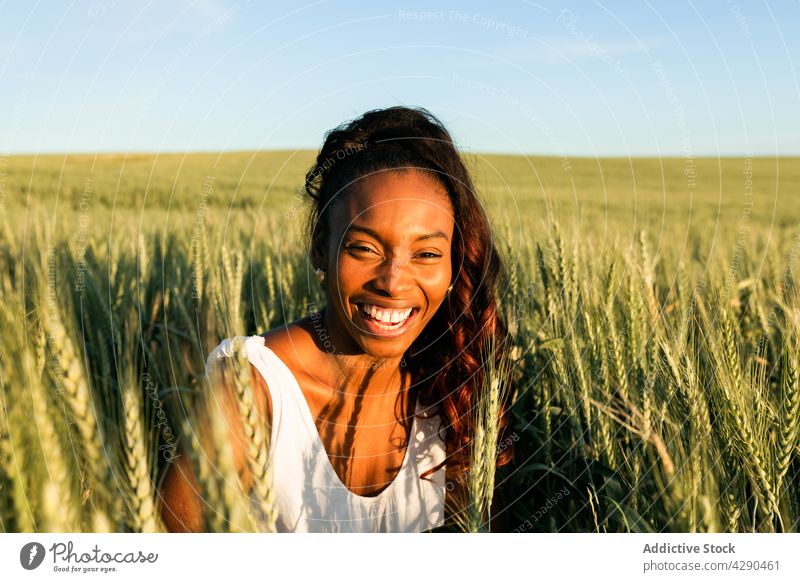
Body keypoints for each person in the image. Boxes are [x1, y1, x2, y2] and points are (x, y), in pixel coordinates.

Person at [157, 105, 514, 532]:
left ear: (454, 266)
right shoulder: (254, 388)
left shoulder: (452, 387)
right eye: (364, 248)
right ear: (320, 248)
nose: (393, 283)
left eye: (427, 254)